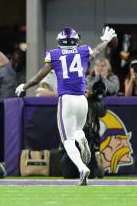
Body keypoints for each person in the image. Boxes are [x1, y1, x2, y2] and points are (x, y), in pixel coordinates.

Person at [16, 26, 117, 185]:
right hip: (82, 100)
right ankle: (82, 138)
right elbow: (96, 51)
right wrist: (104, 40)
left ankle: (82, 168)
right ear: (76, 41)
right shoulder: (83, 50)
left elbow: (39, 77)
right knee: (77, 130)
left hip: (67, 100)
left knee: (67, 140)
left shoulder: (55, 55)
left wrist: (25, 86)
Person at [0, 49, 24, 159]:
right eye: (15, 61)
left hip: (19, 106)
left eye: (19, 61)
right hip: (2, 106)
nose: (17, 63)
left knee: (17, 133)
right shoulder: (2, 72)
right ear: (11, 59)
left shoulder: (25, 71)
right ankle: (0, 158)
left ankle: (14, 158)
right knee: (1, 133)